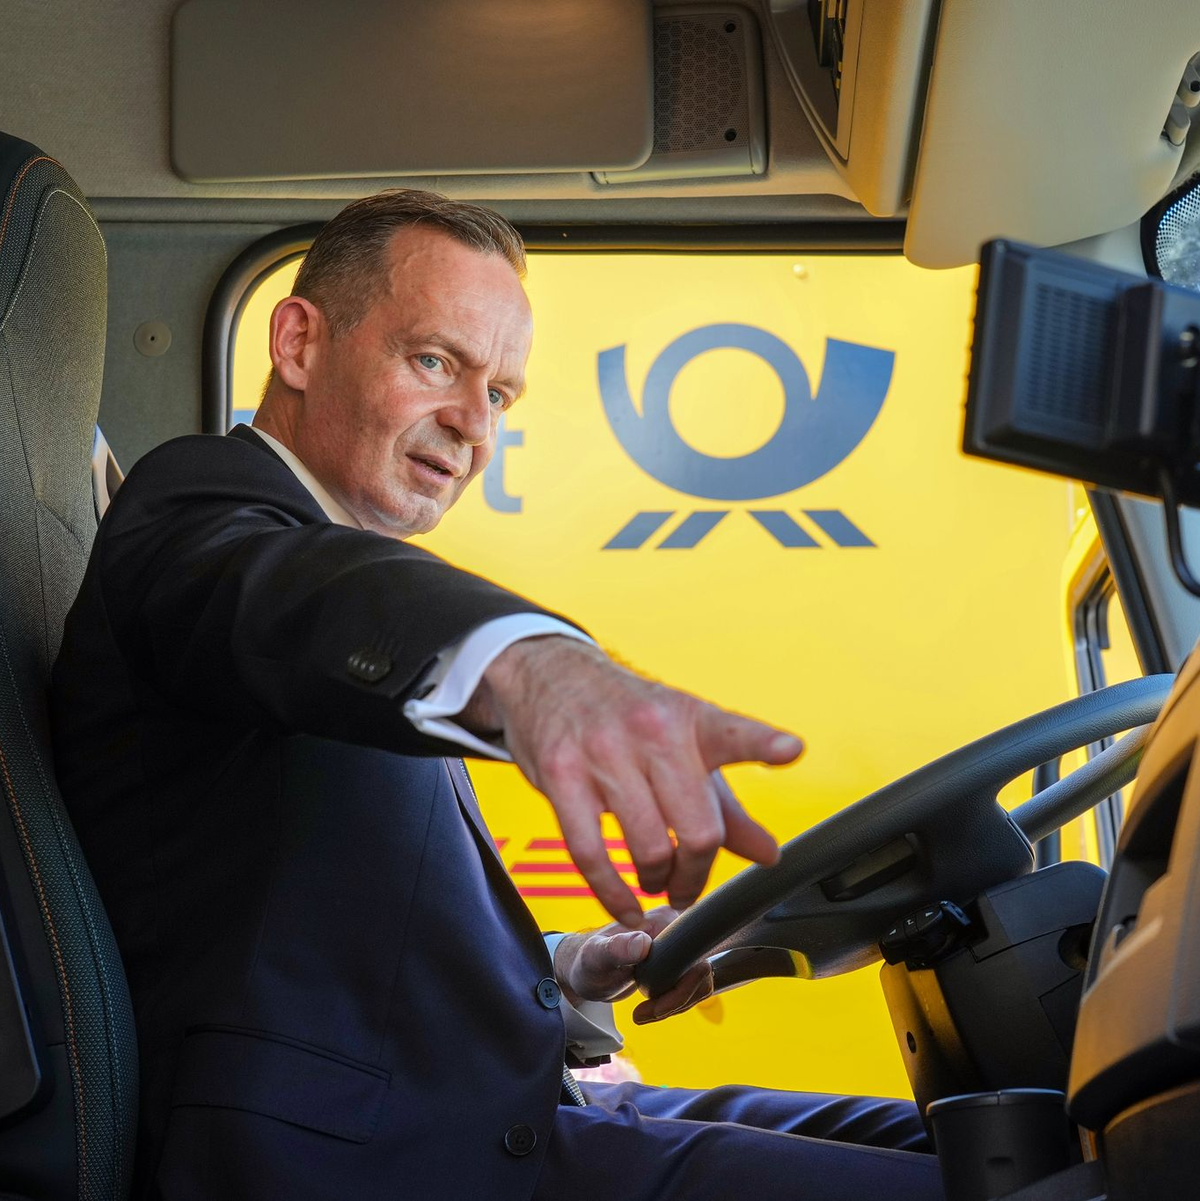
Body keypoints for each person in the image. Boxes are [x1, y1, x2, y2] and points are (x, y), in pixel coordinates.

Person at [50, 190, 944, 1200]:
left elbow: (326, 937)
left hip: (494, 1100)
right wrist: (537, 662)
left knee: (987, 1137)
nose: (474, 425)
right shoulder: (198, 508)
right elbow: (293, 598)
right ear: (299, 342)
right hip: (373, 1161)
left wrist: (569, 973)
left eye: (503, 394)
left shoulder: (345, 583)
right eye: (436, 362)